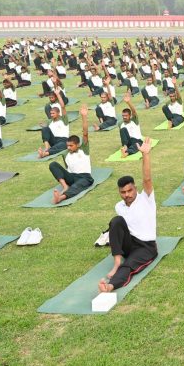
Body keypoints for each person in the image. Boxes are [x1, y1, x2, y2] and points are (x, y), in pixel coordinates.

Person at [99, 140, 156, 293]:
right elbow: (119, 229)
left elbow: (147, 179)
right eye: (123, 192)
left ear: (135, 188)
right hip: (129, 244)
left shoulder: (146, 198)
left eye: (129, 191)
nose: (127, 195)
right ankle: (117, 262)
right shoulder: (119, 206)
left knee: (129, 266)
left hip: (146, 247)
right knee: (116, 221)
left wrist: (146, 155)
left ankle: (110, 286)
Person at [49, 104, 94, 204]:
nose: (68, 148)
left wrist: (84, 117)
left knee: (77, 187)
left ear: (77, 145)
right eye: (67, 145)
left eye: (71, 146)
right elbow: (67, 168)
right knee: (53, 164)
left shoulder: (84, 149)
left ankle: (61, 198)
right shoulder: (66, 154)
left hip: (84, 177)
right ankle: (65, 186)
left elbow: (85, 133)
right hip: (72, 176)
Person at [38, 89, 70, 158]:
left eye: (53, 113)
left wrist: (58, 94)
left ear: (58, 113)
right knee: (45, 129)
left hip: (63, 140)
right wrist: (43, 125)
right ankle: (47, 148)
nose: (51, 115)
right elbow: (47, 130)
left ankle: (45, 153)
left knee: (63, 146)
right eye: (51, 113)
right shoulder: (50, 121)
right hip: (54, 140)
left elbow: (63, 106)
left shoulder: (63, 119)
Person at [119, 92, 145, 158]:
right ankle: (125, 147)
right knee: (123, 129)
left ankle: (126, 152)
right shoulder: (121, 124)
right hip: (127, 142)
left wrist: (128, 102)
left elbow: (134, 111)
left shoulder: (134, 120)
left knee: (137, 146)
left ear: (130, 115)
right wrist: (125, 144)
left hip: (137, 140)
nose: (124, 117)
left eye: (126, 115)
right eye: (123, 116)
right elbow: (123, 136)